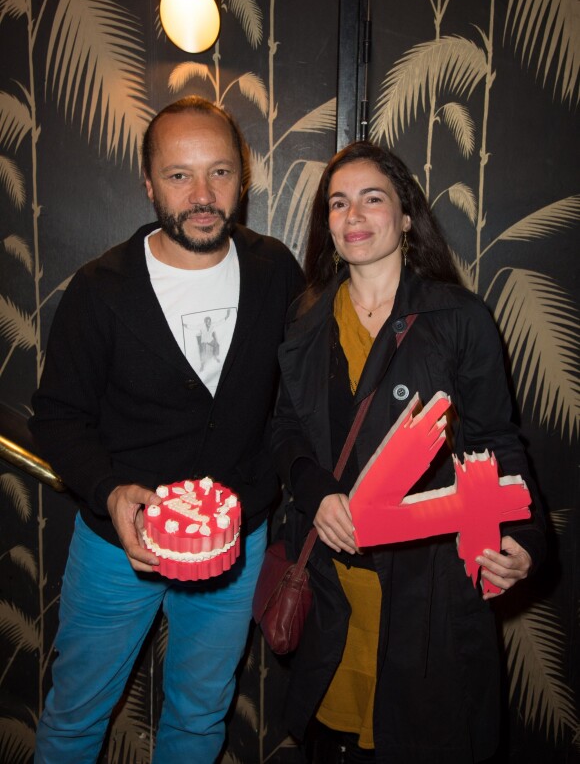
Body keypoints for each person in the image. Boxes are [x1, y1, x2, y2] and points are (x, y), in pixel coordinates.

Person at [30, 96, 304, 763]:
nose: (202, 195)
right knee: (74, 718)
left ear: (242, 177)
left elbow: (297, 402)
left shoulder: (276, 273)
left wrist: (262, 490)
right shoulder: (101, 288)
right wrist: (109, 489)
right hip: (116, 547)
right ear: (148, 184)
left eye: (219, 172)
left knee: (198, 719)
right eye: (179, 175)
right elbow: (57, 417)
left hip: (233, 546)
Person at [271, 141, 545, 764]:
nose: (354, 216)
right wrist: (314, 492)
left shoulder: (458, 318)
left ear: (404, 217)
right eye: (338, 203)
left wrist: (522, 537)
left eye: (373, 199)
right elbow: (286, 429)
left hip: (427, 593)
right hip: (333, 592)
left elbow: (497, 441)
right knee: (334, 744)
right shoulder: (306, 318)